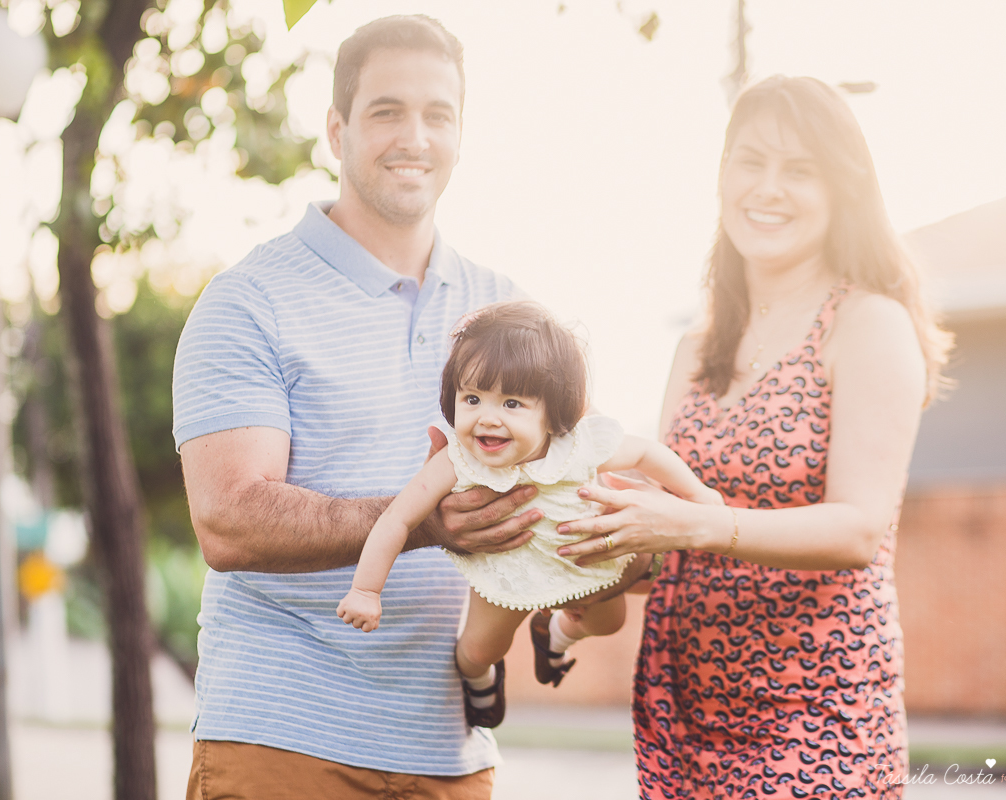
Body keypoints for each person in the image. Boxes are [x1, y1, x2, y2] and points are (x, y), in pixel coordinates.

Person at [174, 16, 649, 800]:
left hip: (448, 754)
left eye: (439, 114)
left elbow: (575, 478)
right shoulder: (248, 302)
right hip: (281, 743)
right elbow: (227, 520)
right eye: (386, 111)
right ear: (337, 129)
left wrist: (619, 549)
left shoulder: (511, 313)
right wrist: (426, 521)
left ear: (462, 134)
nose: (414, 137)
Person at [554, 76, 952, 799]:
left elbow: (859, 529)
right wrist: (582, 558)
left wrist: (691, 524)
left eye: (799, 170)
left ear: (842, 190)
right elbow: (672, 537)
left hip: (815, 717)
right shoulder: (698, 347)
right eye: (750, 161)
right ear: (722, 175)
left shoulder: (866, 324)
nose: (768, 188)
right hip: (683, 713)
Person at [336, 302, 721, 728]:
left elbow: (650, 452)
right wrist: (366, 590)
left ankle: (553, 636)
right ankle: (479, 678)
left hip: (578, 562)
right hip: (507, 567)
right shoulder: (458, 462)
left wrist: (697, 495)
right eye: (472, 398)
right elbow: (397, 519)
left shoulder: (580, 445)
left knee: (610, 622)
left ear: (554, 409)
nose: (487, 417)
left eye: (512, 403)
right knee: (482, 649)